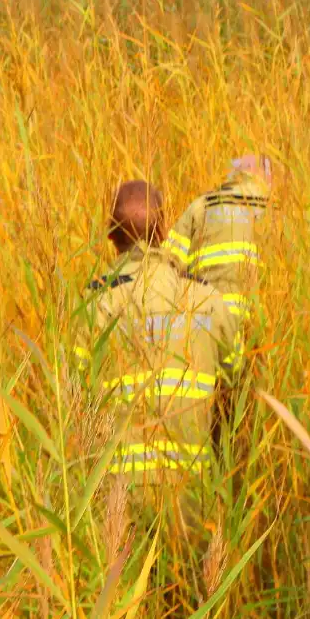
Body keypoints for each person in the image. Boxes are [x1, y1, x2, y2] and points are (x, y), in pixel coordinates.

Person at [72, 180, 242, 567]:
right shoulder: (205, 300)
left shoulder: (94, 305)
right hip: (192, 497)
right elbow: (234, 386)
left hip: (118, 504)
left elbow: (76, 403)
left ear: (111, 238)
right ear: (163, 232)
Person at [162, 154, 274, 322]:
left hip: (206, 317)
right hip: (258, 321)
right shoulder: (272, 212)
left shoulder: (201, 206)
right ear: (265, 177)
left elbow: (168, 263)